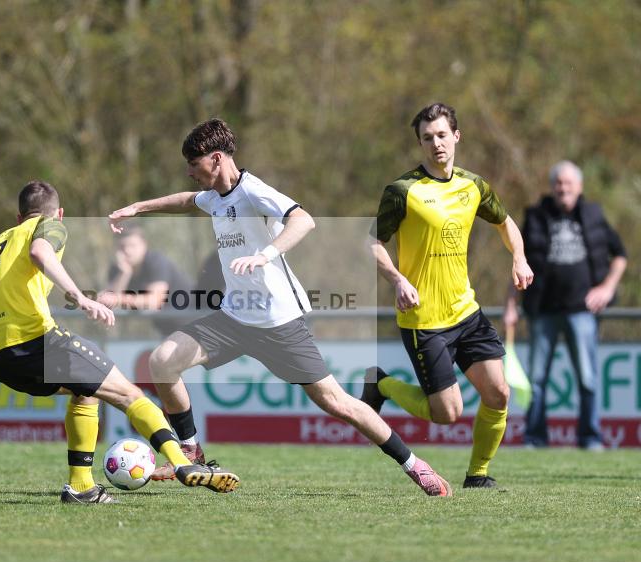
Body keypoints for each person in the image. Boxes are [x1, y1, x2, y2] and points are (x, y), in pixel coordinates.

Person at [108, 118, 453, 496]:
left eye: (194, 164)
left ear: (217, 158)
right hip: (234, 318)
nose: (190, 172)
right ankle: (190, 450)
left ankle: (415, 465)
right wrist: (138, 208)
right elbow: (186, 201)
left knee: (338, 403)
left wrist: (265, 254)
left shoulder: (252, 191)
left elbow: (304, 221)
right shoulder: (214, 196)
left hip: (279, 323)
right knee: (163, 361)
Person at [0, 180, 240, 503]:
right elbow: (39, 251)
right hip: (36, 340)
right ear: (59, 214)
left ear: (18, 217)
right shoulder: (50, 226)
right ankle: (184, 464)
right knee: (129, 394)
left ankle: (81, 487)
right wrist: (81, 298)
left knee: (86, 392)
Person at [365, 103, 534, 489]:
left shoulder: (473, 186)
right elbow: (371, 241)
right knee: (447, 413)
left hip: (466, 313)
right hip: (424, 321)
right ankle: (381, 385)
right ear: (420, 144)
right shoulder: (402, 191)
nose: (436, 144)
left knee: (499, 393)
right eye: (427, 138)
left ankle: (477, 475)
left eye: (442, 135)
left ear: (456, 136)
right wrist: (397, 279)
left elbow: (506, 223)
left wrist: (519, 259)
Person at [504, 160, 627, 450]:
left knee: (588, 379)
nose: (563, 188)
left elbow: (620, 255)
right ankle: (534, 438)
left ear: (579, 187)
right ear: (552, 187)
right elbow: (518, 262)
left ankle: (590, 438)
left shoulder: (594, 215)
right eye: (558, 182)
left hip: (582, 312)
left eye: (569, 183)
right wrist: (511, 304)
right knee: (536, 381)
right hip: (543, 310)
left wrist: (607, 288)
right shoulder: (535, 216)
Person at [97, 225, 194, 337]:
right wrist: (124, 274)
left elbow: (154, 302)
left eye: (132, 245)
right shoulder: (118, 269)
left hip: (193, 324)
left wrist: (118, 299)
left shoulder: (156, 261)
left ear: (144, 245)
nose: (127, 251)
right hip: (166, 329)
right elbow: (110, 305)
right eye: (122, 246)